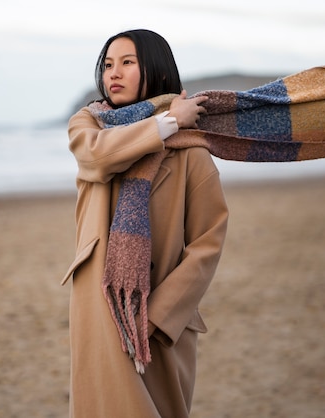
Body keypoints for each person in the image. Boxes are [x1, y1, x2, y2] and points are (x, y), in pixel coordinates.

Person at [61, 29, 229, 417]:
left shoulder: (192, 153)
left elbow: (208, 242)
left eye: (127, 63)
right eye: (107, 65)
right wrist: (167, 123)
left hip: (156, 317)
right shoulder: (88, 125)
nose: (113, 74)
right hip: (99, 304)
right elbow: (98, 158)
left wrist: (157, 315)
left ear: (155, 69)